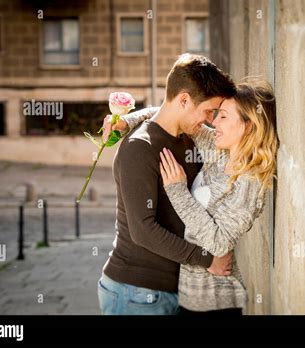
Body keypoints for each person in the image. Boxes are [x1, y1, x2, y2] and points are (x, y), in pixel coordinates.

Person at [115, 81, 279, 314]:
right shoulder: (217, 150)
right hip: (186, 294)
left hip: (214, 300)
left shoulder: (250, 182)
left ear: (249, 126)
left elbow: (220, 244)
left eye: (223, 116)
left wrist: (177, 191)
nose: (214, 122)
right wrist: (127, 121)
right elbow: (173, 116)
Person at [97, 54, 236, 315]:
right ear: (184, 99)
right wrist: (207, 259)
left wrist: (130, 117)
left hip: (174, 291)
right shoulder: (139, 148)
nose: (209, 120)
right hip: (135, 293)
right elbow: (143, 230)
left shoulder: (188, 137)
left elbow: (162, 113)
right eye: (208, 111)